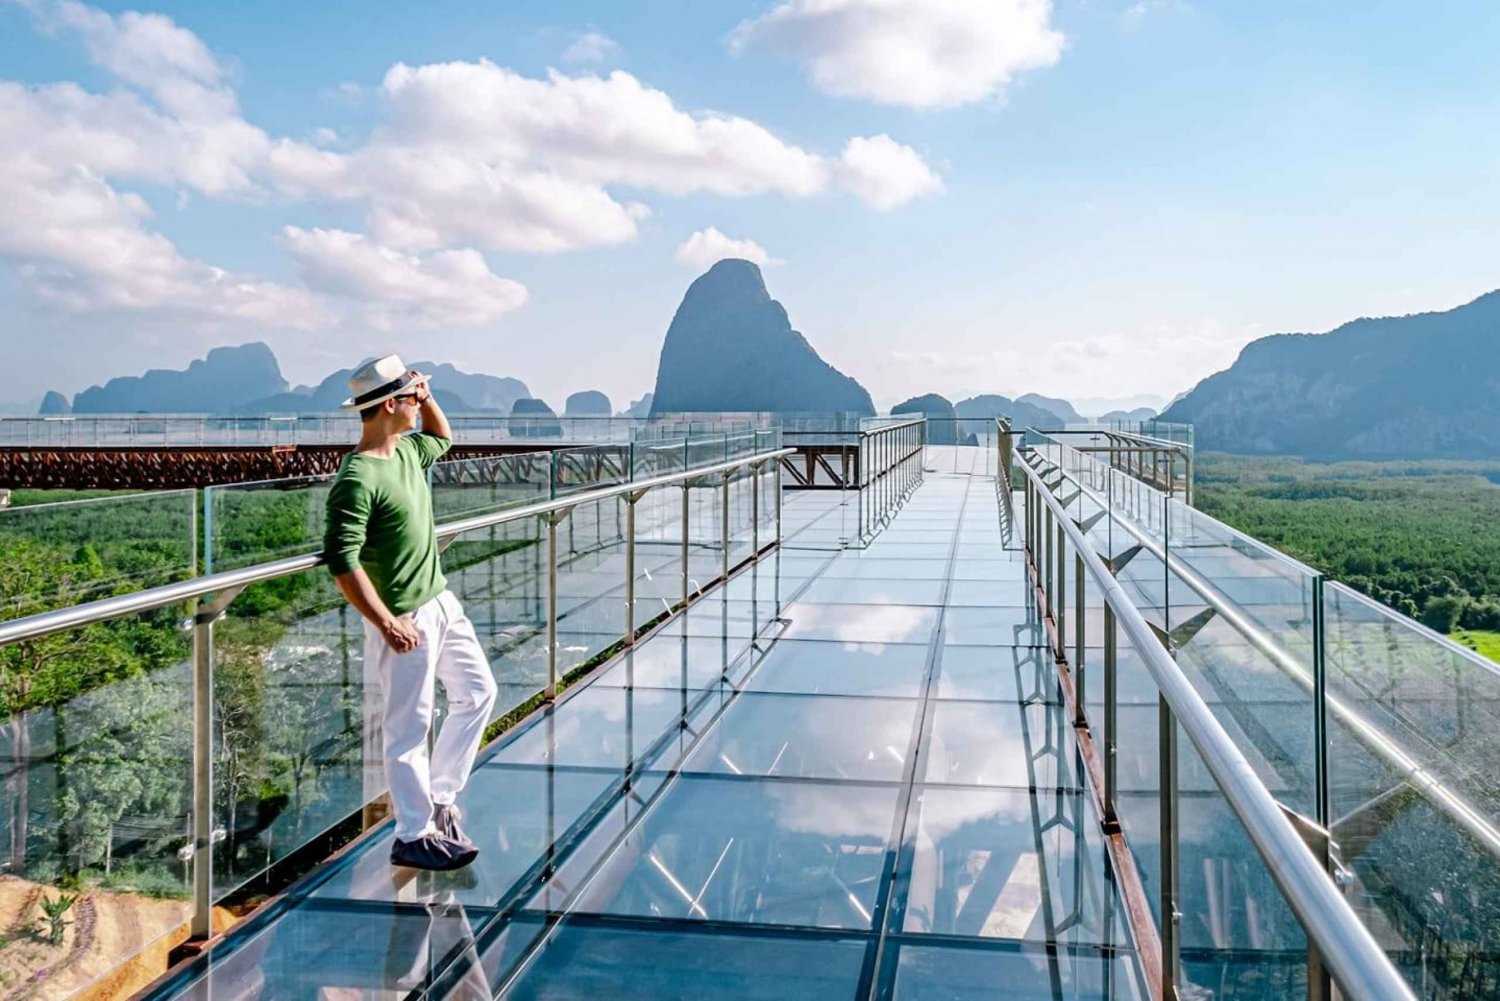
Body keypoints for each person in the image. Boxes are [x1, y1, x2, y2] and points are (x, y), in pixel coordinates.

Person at [324, 354, 497, 870]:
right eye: (410, 398)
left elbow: (443, 437)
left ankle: (440, 800)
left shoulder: (407, 452)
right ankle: (413, 833)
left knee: (479, 693)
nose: (418, 404)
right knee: (408, 726)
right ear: (389, 405)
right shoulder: (358, 477)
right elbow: (341, 558)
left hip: (440, 599)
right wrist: (386, 622)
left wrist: (429, 396)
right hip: (404, 617)